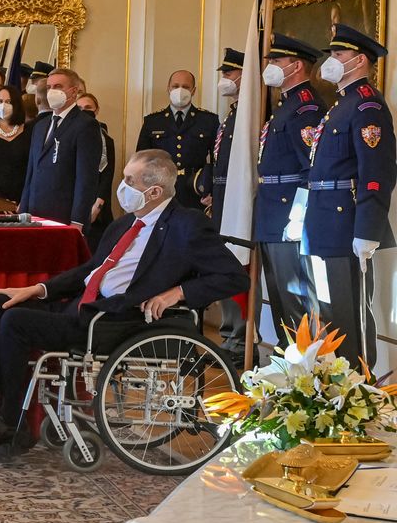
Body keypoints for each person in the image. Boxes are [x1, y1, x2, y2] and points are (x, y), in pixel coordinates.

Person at [0, 149, 249, 454]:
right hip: (82, 307)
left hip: (114, 321)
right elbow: (89, 271)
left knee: (16, 322)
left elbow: (234, 277)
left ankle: (8, 421)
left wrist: (178, 292)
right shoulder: (124, 224)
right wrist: (38, 289)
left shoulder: (187, 226)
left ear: (154, 191)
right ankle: (5, 412)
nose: (121, 187)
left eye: (128, 180)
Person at [300, 24, 393, 368]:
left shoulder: (367, 105)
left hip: (346, 221)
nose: (331, 60)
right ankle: (333, 388)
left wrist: (368, 228)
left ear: (360, 60)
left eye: (338, 54)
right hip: (323, 219)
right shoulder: (342, 104)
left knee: (349, 313)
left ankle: (358, 388)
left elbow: (377, 172)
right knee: (327, 314)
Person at [254, 33, 323, 345]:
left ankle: (301, 364)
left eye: (276, 61)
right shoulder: (286, 105)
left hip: (287, 210)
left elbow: (310, 166)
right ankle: (286, 358)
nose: (270, 66)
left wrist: (299, 214)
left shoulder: (305, 108)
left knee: (294, 297)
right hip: (271, 209)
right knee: (280, 295)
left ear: (296, 66)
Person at [17, 68, 102, 234]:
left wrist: (78, 220)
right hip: (34, 215)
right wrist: (23, 212)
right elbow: (32, 172)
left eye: (58, 86)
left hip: (63, 216)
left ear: (74, 91)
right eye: (49, 87)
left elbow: (86, 179)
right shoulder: (40, 126)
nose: (52, 91)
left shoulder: (85, 125)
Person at [203, 48, 246, 361]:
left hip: (237, 203)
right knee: (225, 267)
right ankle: (231, 335)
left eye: (229, 73)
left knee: (239, 267)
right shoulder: (233, 112)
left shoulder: (252, 111)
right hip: (222, 199)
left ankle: (240, 339)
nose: (225, 80)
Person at [135, 69, 218, 210]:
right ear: (168, 88)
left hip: (195, 190)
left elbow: (217, 160)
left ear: (193, 90)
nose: (180, 90)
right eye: (175, 86)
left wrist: (213, 190)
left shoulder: (208, 121)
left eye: (186, 87)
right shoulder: (153, 121)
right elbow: (141, 160)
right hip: (160, 190)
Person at [76, 92, 116, 250]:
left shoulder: (106, 139)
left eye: (88, 108)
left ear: (96, 110)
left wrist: (97, 206)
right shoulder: (70, 135)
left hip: (98, 208)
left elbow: (108, 175)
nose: (84, 111)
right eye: (79, 108)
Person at [0, 83, 31, 209]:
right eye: (0, 101)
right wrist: (1, 202)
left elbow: (32, 169)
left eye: (8, 101)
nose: (3, 105)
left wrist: (25, 198)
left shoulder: (29, 131)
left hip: (24, 201)